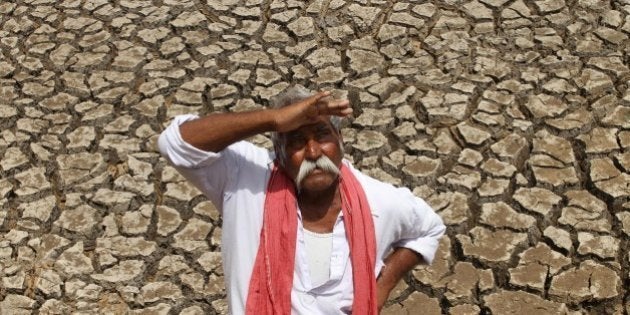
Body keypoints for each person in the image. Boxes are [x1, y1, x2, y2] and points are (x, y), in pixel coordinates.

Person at [158, 86, 445, 314]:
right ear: (278, 152)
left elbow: (428, 228)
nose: (312, 152)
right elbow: (176, 143)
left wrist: (380, 290)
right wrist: (274, 119)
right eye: (295, 140)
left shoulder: (378, 200)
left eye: (322, 135)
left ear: (341, 141)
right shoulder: (246, 179)